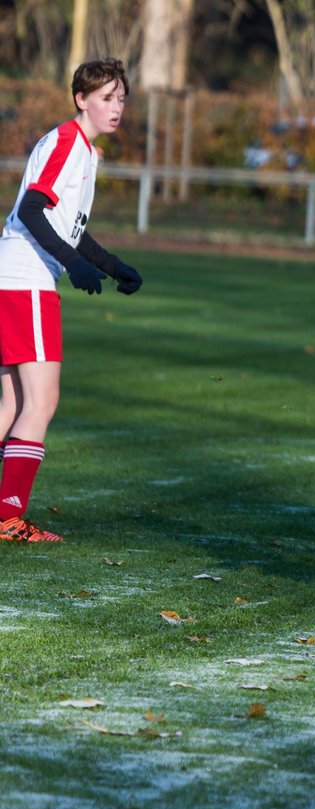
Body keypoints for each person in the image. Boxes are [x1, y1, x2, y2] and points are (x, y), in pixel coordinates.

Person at [0, 58, 142, 543]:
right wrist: (72, 264)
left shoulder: (82, 150)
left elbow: (68, 229)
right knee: (41, 400)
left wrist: (110, 264)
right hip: (27, 280)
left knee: (13, 403)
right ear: (82, 100)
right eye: (107, 98)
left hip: (13, 277)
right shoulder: (67, 142)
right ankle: (9, 519)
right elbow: (32, 210)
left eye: (121, 98)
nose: (116, 107)